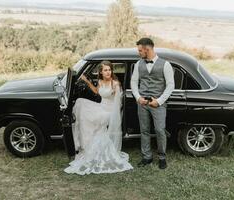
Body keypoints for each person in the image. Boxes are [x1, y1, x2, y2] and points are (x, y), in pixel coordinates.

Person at [64, 60, 133, 175]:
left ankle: (90, 146)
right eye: (105, 70)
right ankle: (85, 144)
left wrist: (114, 116)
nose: (108, 72)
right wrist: (86, 81)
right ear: (100, 72)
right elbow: (96, 92)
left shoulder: (115, 83)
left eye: (109, 70)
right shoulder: (100, 81)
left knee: (92, 118)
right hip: (101, 106)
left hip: (110, 110)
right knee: (80, 102)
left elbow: (118, 103)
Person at [130, 38, 175, 169]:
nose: (139, 53)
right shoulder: (138, 64)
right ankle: (147, 157)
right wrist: (138, 97)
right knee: (144, 130)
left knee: (160, 130)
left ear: (147, 49)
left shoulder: (165, 64)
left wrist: (159, 101)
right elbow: (133, 82)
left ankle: (162, 157)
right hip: (142, 103)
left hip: (158, 103)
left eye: (140, 50)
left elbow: (170, 85)